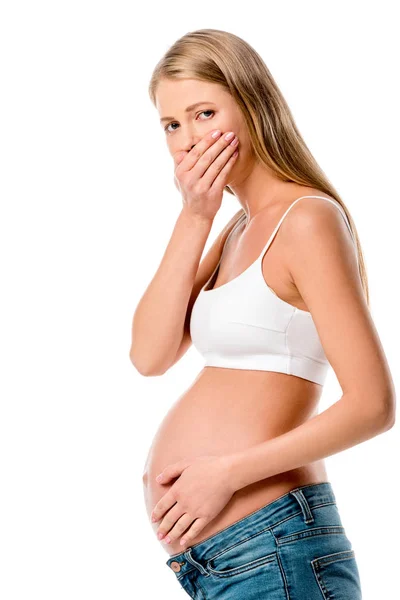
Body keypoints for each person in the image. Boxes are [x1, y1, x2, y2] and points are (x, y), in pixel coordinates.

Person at [130, 28, 396, 599]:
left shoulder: (306, 219)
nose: (186, 140)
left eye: (203, 113)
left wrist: (226, 474)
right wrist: (195, 217)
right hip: (225, 561)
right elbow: (148, 356)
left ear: (251, 104)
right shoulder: (234, 229)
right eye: (171, 125)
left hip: (275, 548)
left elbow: (374, 406)